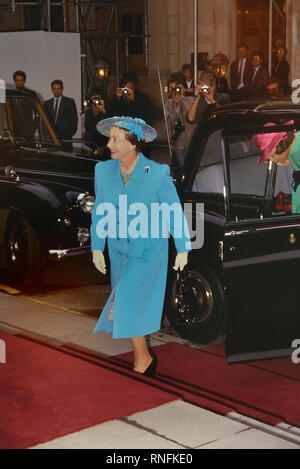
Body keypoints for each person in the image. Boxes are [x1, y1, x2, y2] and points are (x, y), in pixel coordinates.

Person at [90, 116, 191, 377]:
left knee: (124, 300)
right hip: (119, 250)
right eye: (109, 138)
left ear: (133, 143)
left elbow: (173, 211)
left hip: (147, 251)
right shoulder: (103, 171)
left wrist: (182, 247)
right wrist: (97, 247)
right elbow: (100, 211)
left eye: (115, 139)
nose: (109, 144)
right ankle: (143, 357)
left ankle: (143, 360)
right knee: (127, 304)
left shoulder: (156, 174)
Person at [255, 121, 300, 213]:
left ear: (280, 145)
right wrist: (289, 161)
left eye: (272, 156)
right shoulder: (294, 147)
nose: (271, 160)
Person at [165, 74, 196, 168]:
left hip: (190, 142)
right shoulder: (169, 103)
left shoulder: (192, 100)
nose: (174, 92)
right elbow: (169, 124)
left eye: (177, 88)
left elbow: (191, 120)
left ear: (183, 88)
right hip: (177, 144)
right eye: (171, 89)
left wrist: (182, 101)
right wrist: (176, 106)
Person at [44, 79, 78, 151]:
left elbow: (74, 119)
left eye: (59, 88)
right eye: (55, 89)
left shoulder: (69, 102)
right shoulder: (47, 103)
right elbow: (44, 120)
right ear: (52, 90)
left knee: (65, 160)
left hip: (65, 139)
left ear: (62, 89)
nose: (57, 91)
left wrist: (70, 133)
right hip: (51, 139)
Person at [83, 88, 111, 160]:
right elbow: (88, 128)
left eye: (98, 99)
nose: (96, 102)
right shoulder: (89, 112)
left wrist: (103, 111)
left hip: (108, 145)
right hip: (95, 145)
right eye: (94, 100)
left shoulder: (109, 111)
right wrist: (95, 114)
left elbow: (108, 129)